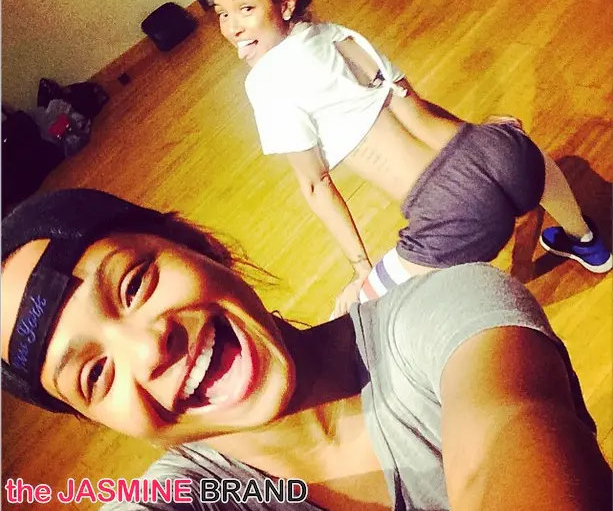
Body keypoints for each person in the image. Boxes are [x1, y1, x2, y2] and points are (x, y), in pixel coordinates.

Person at [2, 188, 611, 511]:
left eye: (134, 284)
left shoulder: (446, 315)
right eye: (95, 375)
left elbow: (507, 432)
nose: (149, 349)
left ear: (198, 245)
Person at [211, 0, 612, 317]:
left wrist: (361, 270)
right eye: (222, 14)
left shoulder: (264, 83)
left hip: (454, 211)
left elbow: (316, 184)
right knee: (523, 152)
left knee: (354, 309)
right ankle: (585, 238)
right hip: (497, 152)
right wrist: (483, 137)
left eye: (245, 9)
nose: (232, 28)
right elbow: (411, 101)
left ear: (285, 3)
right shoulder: (337, 35)